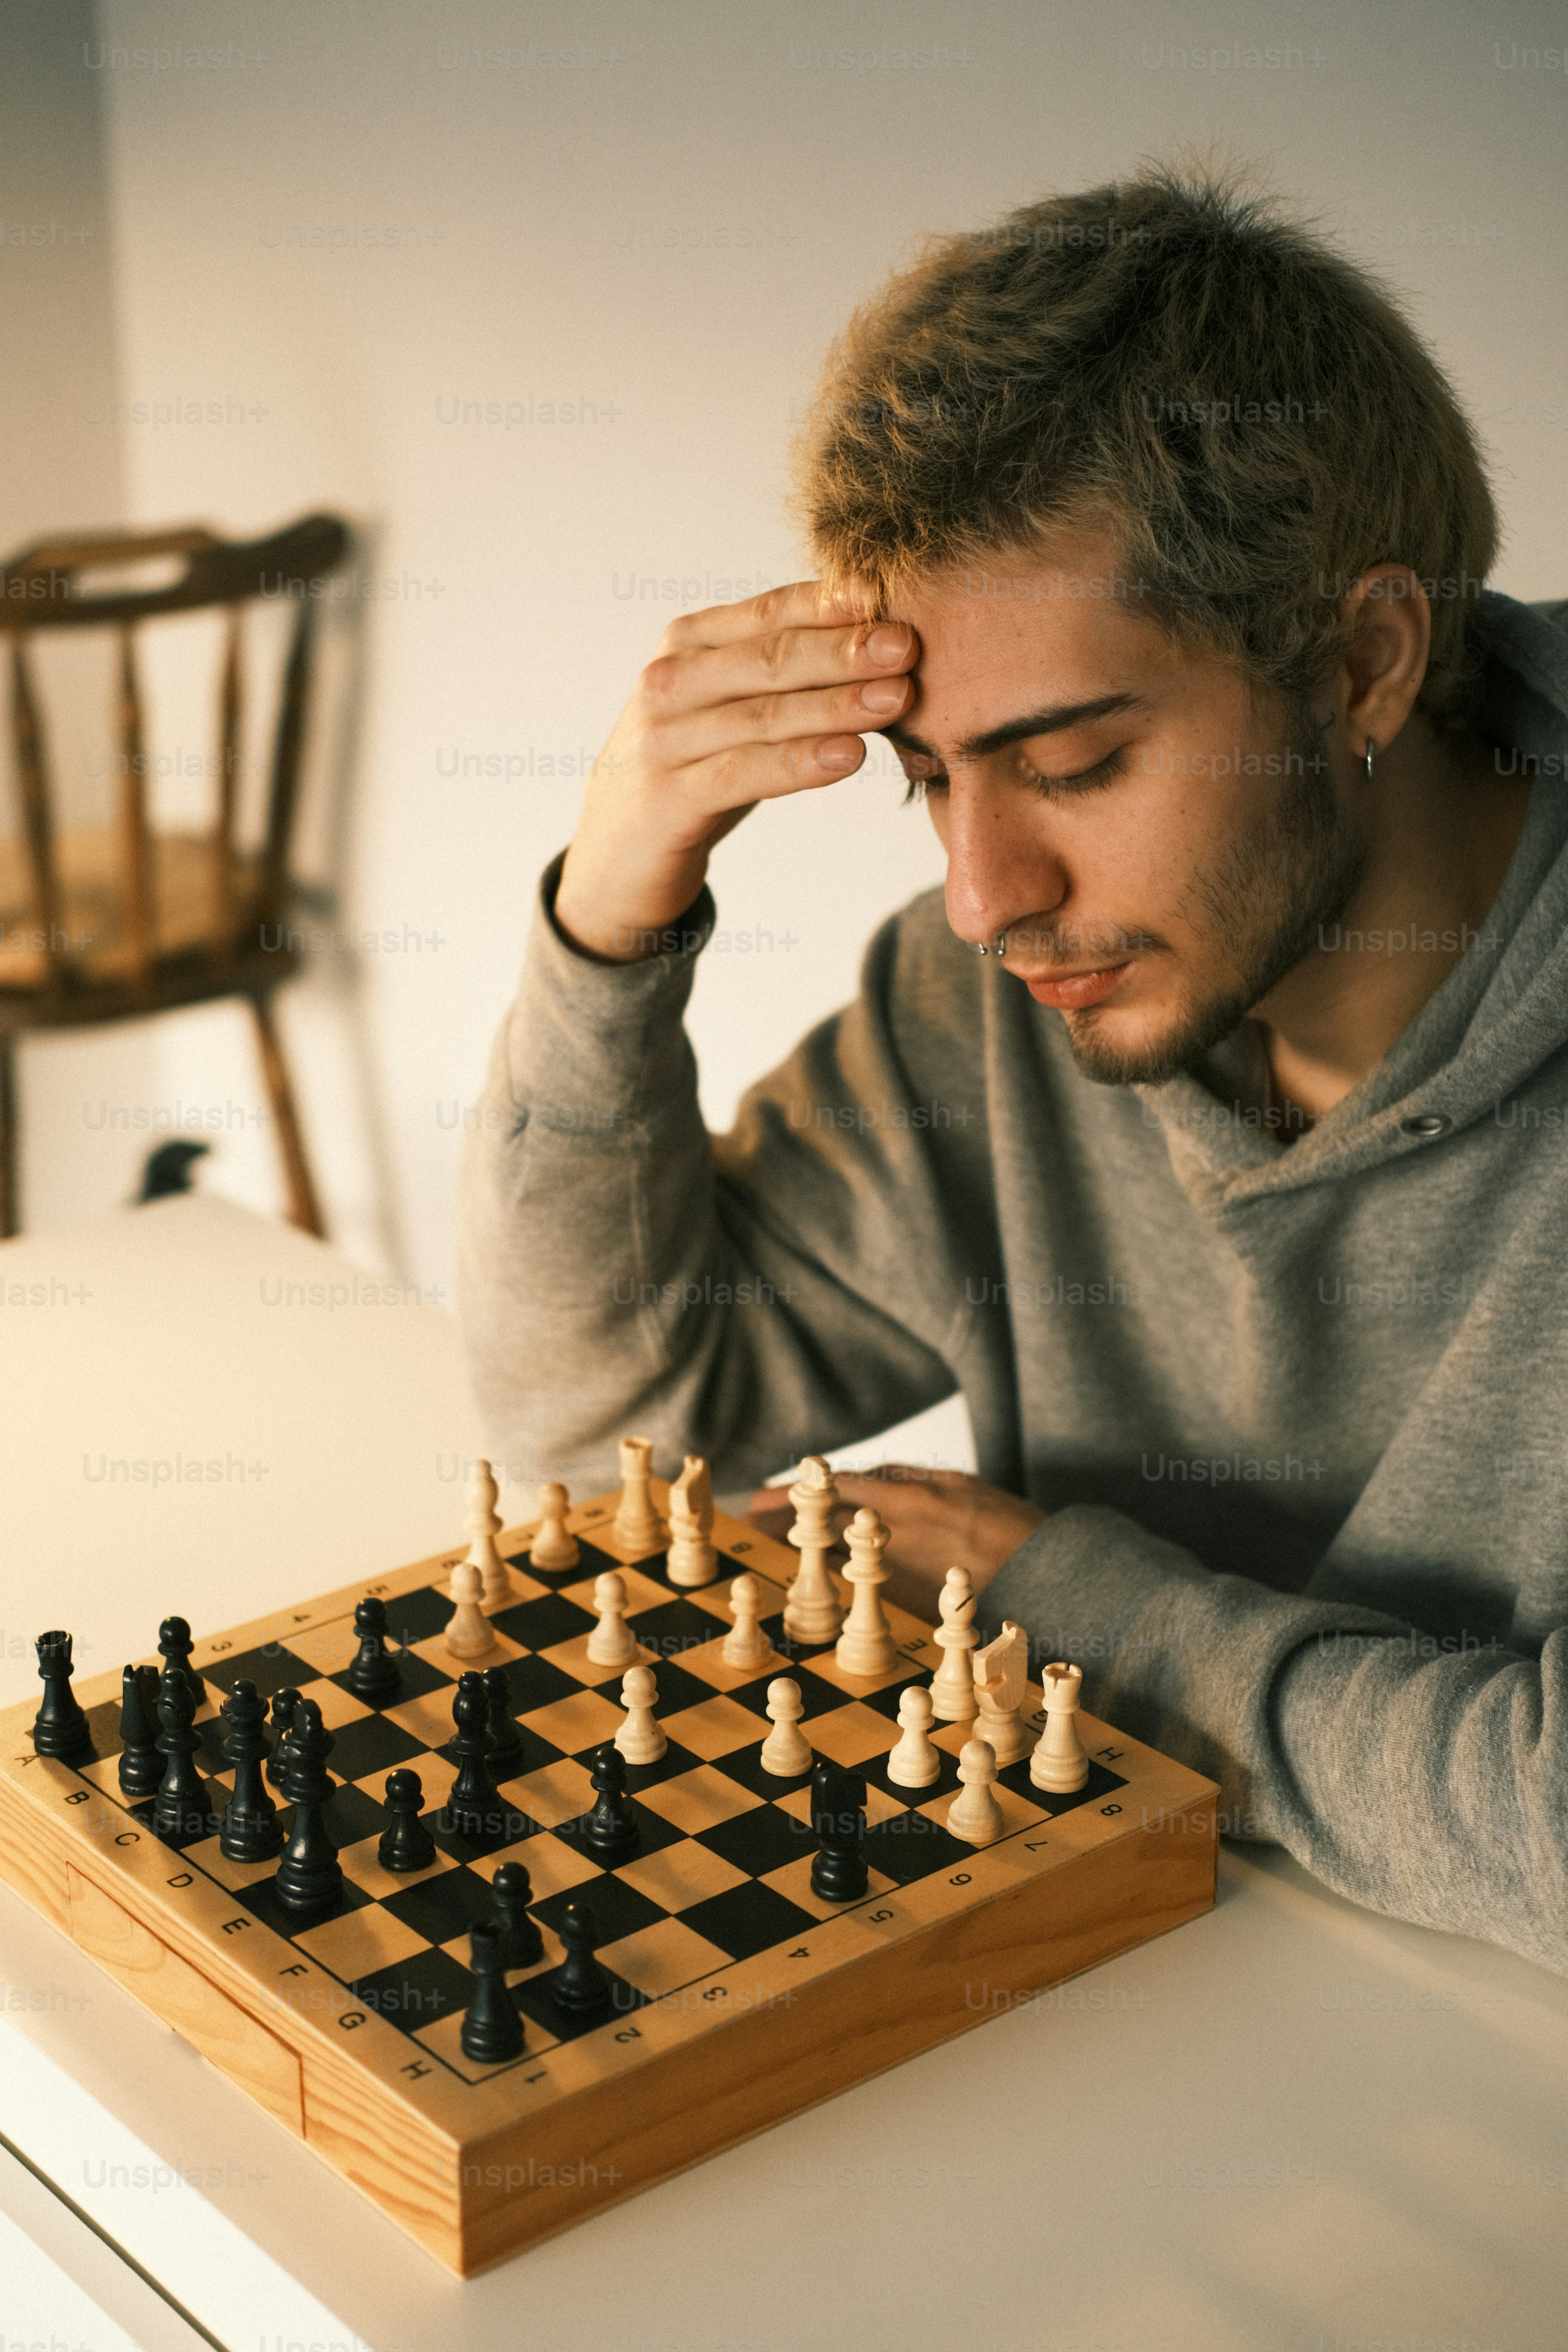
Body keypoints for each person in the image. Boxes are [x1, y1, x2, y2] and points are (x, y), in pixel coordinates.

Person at [459, 165, 1568, 1972]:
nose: (983, 900)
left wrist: (1071, 1615)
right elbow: (610, 1450)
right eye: (928, 778)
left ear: (1364, 662)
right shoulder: (991, 1003)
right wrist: (609, 924)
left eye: (1068, 765)